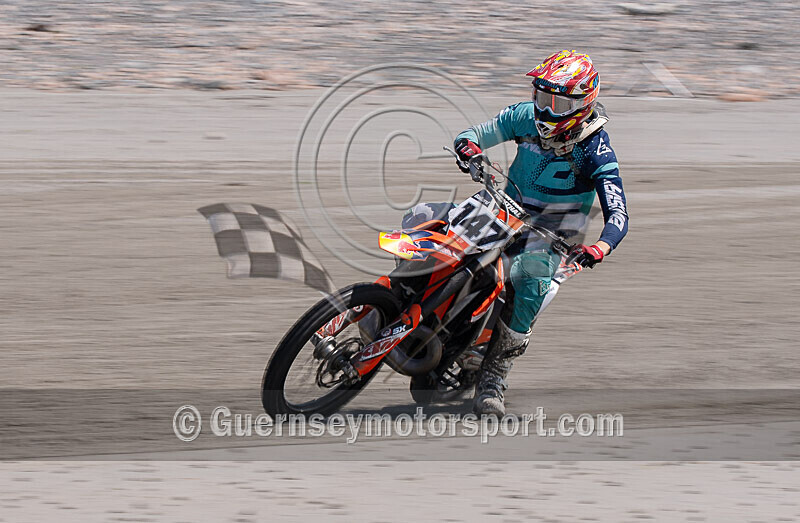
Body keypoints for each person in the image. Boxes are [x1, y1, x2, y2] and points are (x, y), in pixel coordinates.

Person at [453, 50, 629, 415]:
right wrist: (468, 148)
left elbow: (618, 213)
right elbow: (477, 133)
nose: (546, 109)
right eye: (541, 96)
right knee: (426, 222)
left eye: (557, 103)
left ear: (582, 104)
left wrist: (600, 247)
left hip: (553, 231)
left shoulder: (596, 149)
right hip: (503, 207)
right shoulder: (524, 116)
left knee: (530, 280)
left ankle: (494, 377)